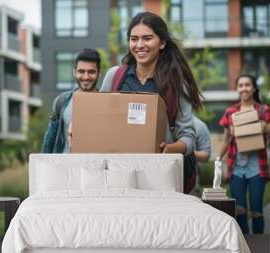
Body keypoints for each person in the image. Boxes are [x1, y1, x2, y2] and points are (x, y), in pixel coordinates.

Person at [100, 12, 202, 156]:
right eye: (134, 39)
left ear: (162, 43)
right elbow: (100, 118)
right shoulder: (114, 76)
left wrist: (171, 149)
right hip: (119, 167)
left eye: (147, 38)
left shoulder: (176, 83)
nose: (139, 45)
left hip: (158, 169)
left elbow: (188, 137)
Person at [218, 74, 270, 234]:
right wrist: (218, 162)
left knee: (257, 212)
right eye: (240, 85)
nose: (244, 88)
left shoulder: (263, 110)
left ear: (254, 88)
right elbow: (226, 141)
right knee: (239, 211)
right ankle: (245, 247)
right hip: (237, 168)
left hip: (257, 167)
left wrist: (265, 127)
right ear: (237, 89)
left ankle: (260, 247)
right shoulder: (230, 112)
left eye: (247, 85)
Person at [42, 48, 101, 153]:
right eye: (81, 71)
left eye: (91, 72)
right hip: (65, 166)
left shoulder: (105, 104)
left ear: (99, 73)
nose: (86, 77)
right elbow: (49, 140)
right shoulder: (61, 101)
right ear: (74, 72)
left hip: (94, 167)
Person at [190, 115, 212, 196]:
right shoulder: (161, 121)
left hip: (190, 187)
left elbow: (206, 154)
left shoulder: (199, 125)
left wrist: (184, 151)